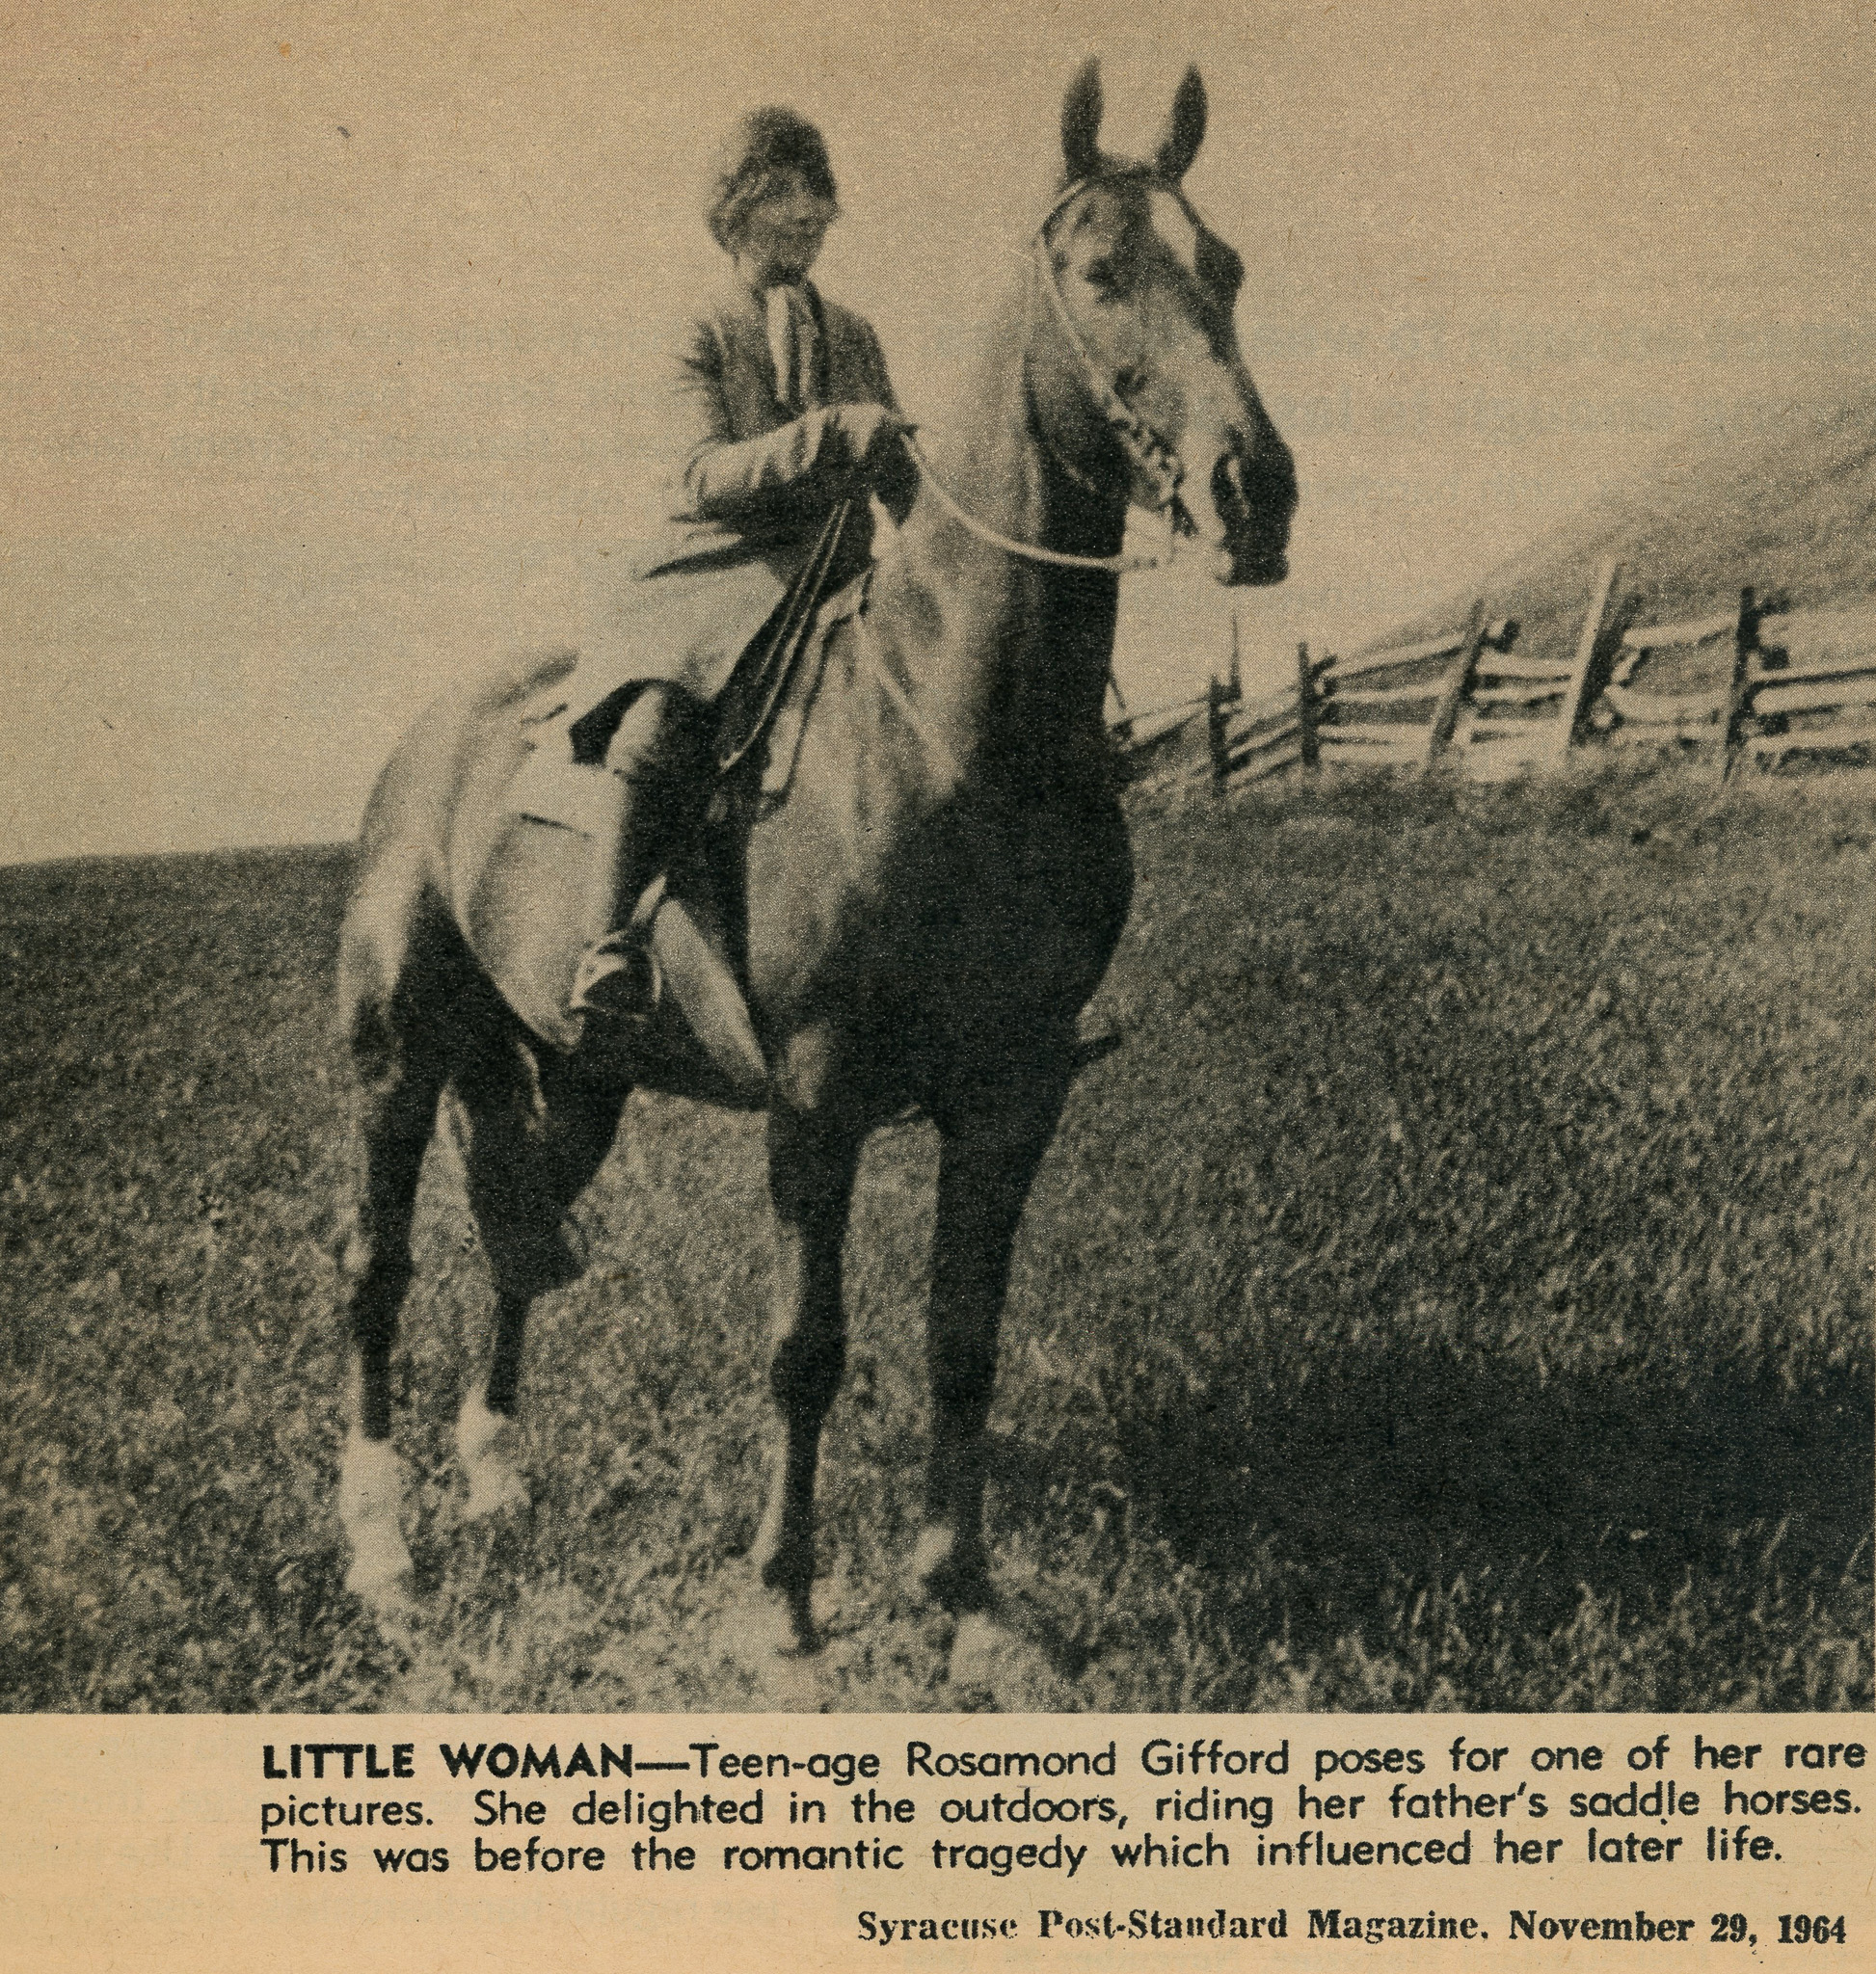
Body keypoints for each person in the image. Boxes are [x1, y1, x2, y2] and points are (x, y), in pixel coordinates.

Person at [562, 106, 914, 1027]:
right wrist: (829, 433)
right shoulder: (703, 331)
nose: (810, 214)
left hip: (840, 573)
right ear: (737, 211)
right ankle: (611, 945)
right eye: (786, 195)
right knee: (663, 718)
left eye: (820, 196)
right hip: (722, 576)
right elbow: (702, 474)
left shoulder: (859, 334)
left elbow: (902, 481)